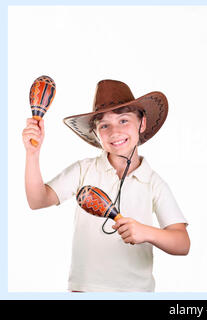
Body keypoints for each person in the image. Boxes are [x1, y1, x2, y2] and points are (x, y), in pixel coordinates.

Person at [22, 79, 190, 292]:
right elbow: (37, 200)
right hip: (84, 291)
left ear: (142, 123)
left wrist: (146, 232)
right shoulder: (83, 170)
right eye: (104, 125)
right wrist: (32, 154)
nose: (114, 132)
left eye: (123, 120)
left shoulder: (153, 182)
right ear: (96, 134)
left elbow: (183, 244)